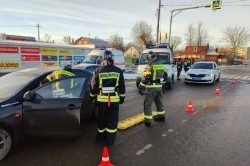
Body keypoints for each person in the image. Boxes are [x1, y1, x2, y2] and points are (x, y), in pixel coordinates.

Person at [90, 50, 125, 146]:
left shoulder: (98, 70)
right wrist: (122, 98)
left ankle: (100, 138)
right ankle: (110, 140)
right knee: (112, 120)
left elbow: (94, 86)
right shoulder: (118, 71)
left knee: (102, 119)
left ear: (103, 59)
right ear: (112, 58)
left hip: (102, 100)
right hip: (114, 100)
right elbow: (122, 87)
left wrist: (92, 97)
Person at [138, 51, 168, 127]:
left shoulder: (149, 66)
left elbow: (145, 79)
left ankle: (148, 121)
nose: (148, 60)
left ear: (150, 58)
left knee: (147, 104)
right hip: (159, 88)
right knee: (159, 103)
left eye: (148, 58)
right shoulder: (162, 65)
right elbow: (165, 77)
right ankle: (161, 117)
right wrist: (162, 85)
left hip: (151, 88)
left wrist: (140, 87)